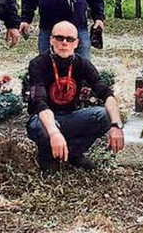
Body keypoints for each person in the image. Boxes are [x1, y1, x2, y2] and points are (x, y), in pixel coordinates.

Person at [25, 21, 124, 174]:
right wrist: (54, 133)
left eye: (70, 39)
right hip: (43, 120)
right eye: (59, 38)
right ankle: (47, 155)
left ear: (76, 43)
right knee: (40, 126)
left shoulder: (83, 64)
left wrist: (116, 126)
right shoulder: (38, 64)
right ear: (51, 40)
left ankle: (73, 153)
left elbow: (106, 94)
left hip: (70, 116)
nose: (64, 43)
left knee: (104, 116)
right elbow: (40, 103)